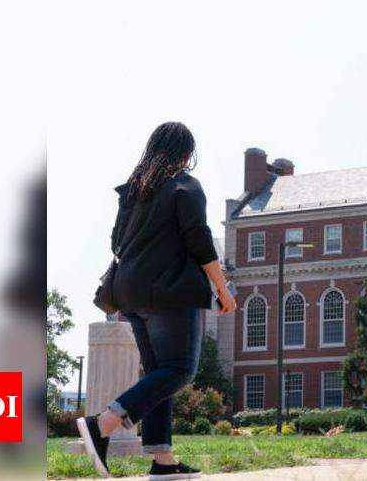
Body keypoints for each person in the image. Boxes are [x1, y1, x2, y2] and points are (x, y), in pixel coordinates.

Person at [76, 122, 237, 480]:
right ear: (186, 155)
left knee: (159, 375)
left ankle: (162, 460)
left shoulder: (132, 193)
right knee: (179, 369)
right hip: (170, 291)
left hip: (129, 293)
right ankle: (103, 422)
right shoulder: (185, 186)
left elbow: (115, 242)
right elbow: (199, 239)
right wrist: (222, 289)